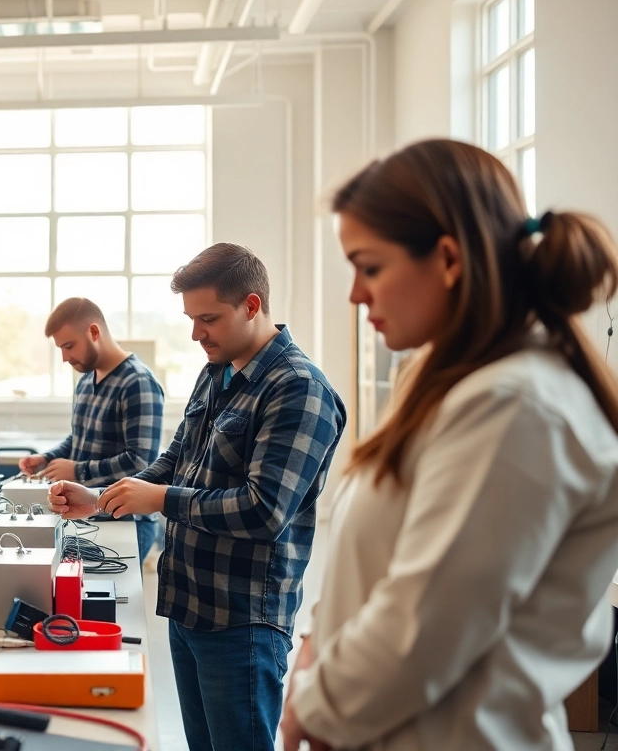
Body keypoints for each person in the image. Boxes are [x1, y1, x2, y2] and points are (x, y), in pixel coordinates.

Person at [280, 139, 618, 751]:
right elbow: (379, 569)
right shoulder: (455, 387)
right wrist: (311, 655)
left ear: (448, 258)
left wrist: (316, 706)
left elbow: (425, 625)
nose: (356, 294)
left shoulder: (515, 406)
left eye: (370, 266)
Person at [49, 243, 347, 751]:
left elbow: (263, 509)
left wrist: (161, 499)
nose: (195, 333)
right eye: (190, 318)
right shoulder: (217, 372)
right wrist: (100, 498)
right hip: (189, 605)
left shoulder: (299, 389)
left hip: (242, 619)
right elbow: (175, 461)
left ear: (252, 306)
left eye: (208, 318)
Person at [19, 297, 165, 560]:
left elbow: (142, 463)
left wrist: (77, 470)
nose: (64, 357)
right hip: (87, 514)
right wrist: (47, 459)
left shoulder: (138, 382)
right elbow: (79, 438)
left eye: (69, 346)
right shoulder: (85, 380)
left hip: (127, 522)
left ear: (94, 332)